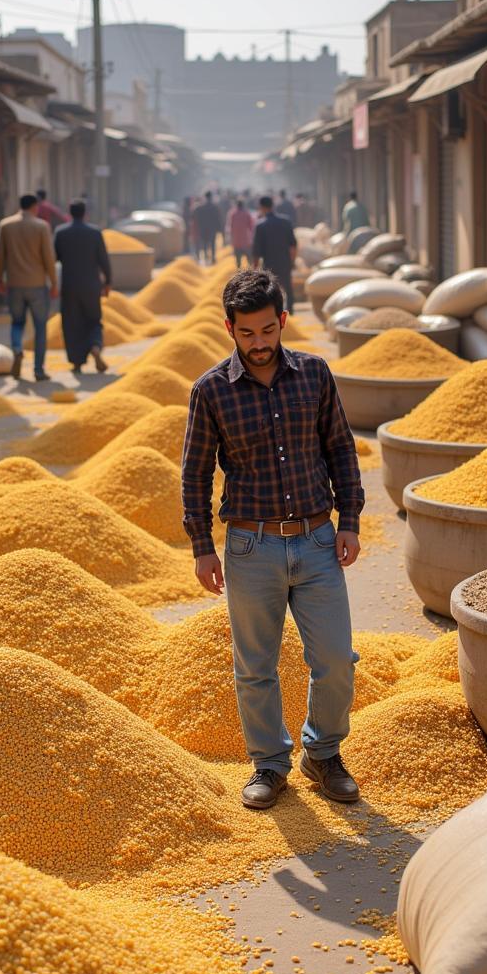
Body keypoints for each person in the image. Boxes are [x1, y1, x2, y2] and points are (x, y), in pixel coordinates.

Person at [181, 268, 364, 811]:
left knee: (335, 659)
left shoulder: (314, 374)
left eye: (267, 331)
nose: (259, 344)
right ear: (229, 329)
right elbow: (194, 474)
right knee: (255, 666)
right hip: (249, 548)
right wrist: (200, 546)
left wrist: (349, 519)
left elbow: (341, 448)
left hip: (315, 541)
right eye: (247, 334)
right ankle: (268, 763)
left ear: (282, 321)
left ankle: (323, 753)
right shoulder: (210, 390)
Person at [0, 194, 58, 382]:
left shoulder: (5, 225)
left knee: (17, 322)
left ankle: (16, 348)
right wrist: (54, 282)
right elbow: (48, 257)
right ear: (35, 207)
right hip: (37, 284)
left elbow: (0, 256)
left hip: (14, 283)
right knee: (40, 327)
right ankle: (38, 370)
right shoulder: (41, 226)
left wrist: (0, 279)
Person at [54, 200, 112, 375]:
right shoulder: (94, 233)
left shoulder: (61, 232)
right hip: (91, 285)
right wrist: (108, 282)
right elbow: (104, 259)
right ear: (85, 213)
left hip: (70, 285)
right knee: (94, 320)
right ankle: (95, 346)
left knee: (71, 323)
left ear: (69, 213)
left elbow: (55, 257)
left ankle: (77, 362)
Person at [252, 196, 297, 312]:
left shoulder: (260, 226)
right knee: (288, 288)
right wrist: (292, 262)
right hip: (284, 262)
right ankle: (290, 312)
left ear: (261, 207)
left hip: (269, 264)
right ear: (273, 206)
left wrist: (255, 269)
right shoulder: (286, 222)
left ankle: (275, 313)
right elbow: (293, 246)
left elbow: (256, 252)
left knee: (271, 291)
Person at [193, 190, 223, 264]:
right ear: (211, 197)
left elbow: (198, 218)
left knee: (205, 244)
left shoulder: (201, 207)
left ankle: (206, 258)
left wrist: (200, 227)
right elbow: (218, 218)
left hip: (204, 229)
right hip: (213, 229)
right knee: (212, 244)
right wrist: (219, 229)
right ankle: (213, 258)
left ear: (205, 197)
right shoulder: (215, 207)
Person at [227, 199, 255, 268]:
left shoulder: (232, 214)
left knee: (238, 262)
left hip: (236, 241)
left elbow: (230, 227)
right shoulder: (247, 214)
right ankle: (251, 274)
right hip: (246, 241)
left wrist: (230, 239)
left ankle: (239, 274)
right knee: (250, 260)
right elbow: (251, 227)